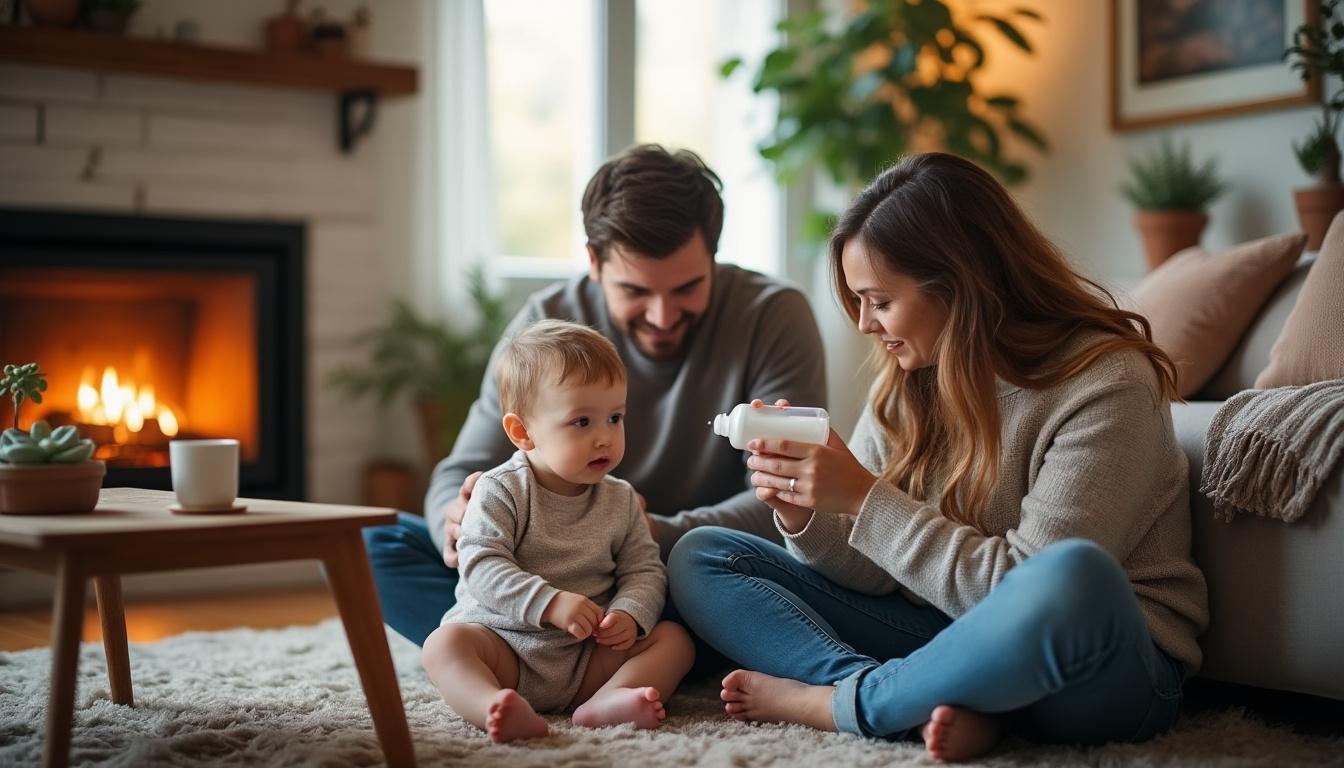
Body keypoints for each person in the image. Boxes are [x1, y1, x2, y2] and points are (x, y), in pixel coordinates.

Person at [667, 152, 1209, 762]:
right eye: (858, 300)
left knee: (1070, 574)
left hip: (1098, 668)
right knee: (705, 554)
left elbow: (1018, 590)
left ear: (958, 286)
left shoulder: (1106, 382)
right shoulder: (908, 379)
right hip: (945, 636)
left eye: (879, 300)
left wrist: (866, 500)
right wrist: (807, 512)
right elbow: (878, 572)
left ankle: (851, 703)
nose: (867, 324)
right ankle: (915, 696)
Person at [364, 144, 827, 647]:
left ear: (713, 256)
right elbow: (460, 470)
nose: (662, 317)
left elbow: (784, 497)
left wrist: (645, 531)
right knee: (373, 546)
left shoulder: (772, 315)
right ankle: (597, 652)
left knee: (725, 575)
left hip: (683, 569)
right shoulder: (545, 325)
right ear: (593, 261)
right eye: (635, 292)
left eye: (687, 288)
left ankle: (530, 653)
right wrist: (455, 526)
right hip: (543, 582)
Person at [421, 320, 695, 742]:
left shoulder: (620, 499)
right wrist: (549, 604)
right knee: (443, 645)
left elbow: (644, 569)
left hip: (586, 656)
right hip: (505, 646)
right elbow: (481, 564)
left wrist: (629, 613)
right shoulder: (500, 489)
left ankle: (608, 699)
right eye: (582, 422)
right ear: (522, 432)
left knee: (674, 640)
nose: (605, 438)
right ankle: (492, 704)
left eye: (615, 417)